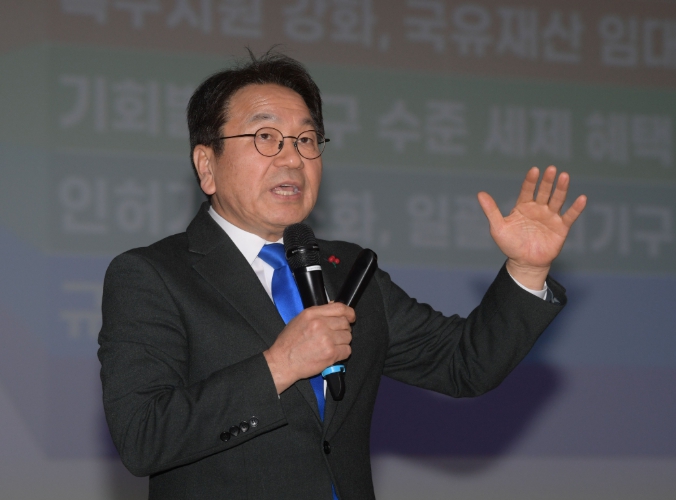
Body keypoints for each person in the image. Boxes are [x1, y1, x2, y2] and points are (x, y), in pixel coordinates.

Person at [98, 52, 586, 500]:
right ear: (206, 165)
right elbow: (143, 437)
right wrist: (279, 365)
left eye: (307, 140)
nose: (293, 158)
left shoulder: (348, 269)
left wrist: (527, 268)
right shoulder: (154, 276)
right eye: (265, 137)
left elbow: (465, 364)